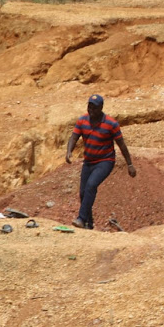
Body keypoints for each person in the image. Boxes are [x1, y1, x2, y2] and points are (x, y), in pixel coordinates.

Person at [65, 94, 136, 229]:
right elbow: (74, 137)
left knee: (91, 185)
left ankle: (81, 218)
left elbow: (122, 144)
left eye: (94, 107)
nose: (91, 109)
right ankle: (89, 224)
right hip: (88, 161)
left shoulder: (111, 124)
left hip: (105, 161)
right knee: (83, 192)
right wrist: (69, 151)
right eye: (89, 106)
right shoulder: (82, 121)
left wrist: (130, 164)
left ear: (101, 108)